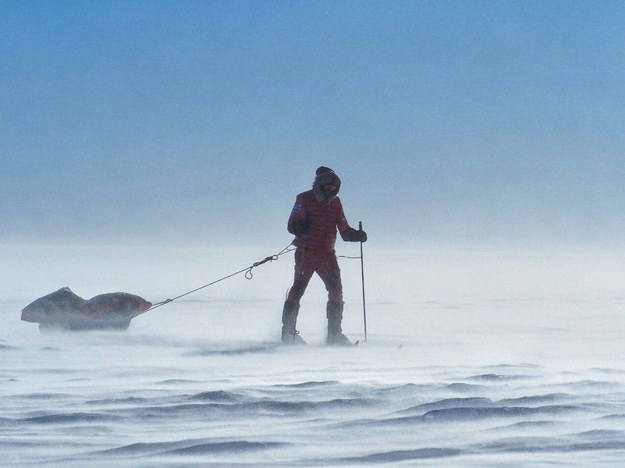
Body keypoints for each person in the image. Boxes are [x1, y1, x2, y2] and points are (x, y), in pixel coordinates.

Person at [281, 166, 367, 345]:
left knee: (336, 290)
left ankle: (334, 335)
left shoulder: (335, 203)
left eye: (334, 188)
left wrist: (356, 235)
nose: (331, 191)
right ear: (319, 185)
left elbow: (343, 228)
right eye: (327, 187)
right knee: (298, 289)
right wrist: (303, 226)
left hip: (327, 255)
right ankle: (288, 334)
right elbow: (292, 225)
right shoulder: (304, 198)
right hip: (306, 253)